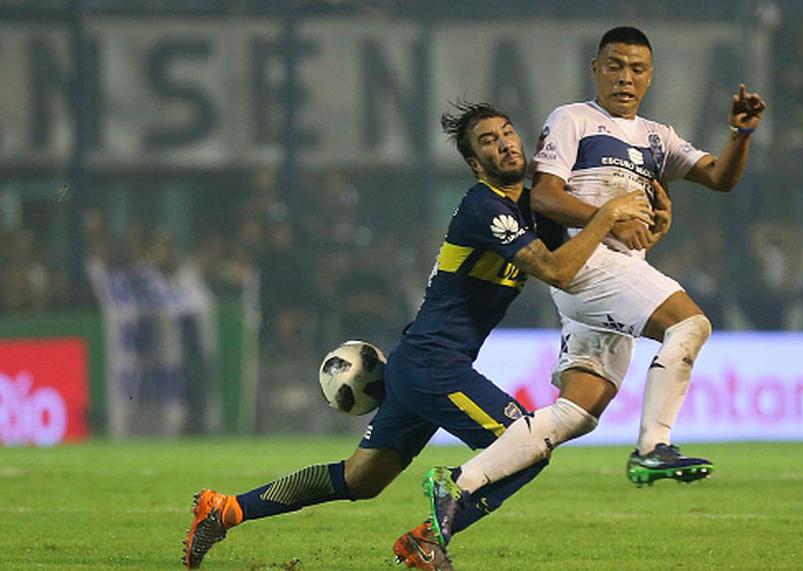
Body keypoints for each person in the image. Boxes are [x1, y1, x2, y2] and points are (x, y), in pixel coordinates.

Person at [181, 101, 666, 570]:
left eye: (507, 133)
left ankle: (226, 509)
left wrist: (644, 222)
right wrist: (606, 214)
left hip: (421, 362)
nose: (504, 145)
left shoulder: (535, 207)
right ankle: (429, 538)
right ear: (475, 164)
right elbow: (558, 271)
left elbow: (589, 253)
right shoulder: (485, 207)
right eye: (488, 142)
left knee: (360, 478)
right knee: (527, 447)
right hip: (435, 364)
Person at [422, 26, 766, 538]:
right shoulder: (572, 119)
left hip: (613, 279)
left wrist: (739, 135)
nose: (625, 77)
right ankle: (653, 447)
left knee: (578, 413)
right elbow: (544, 197)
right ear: (595, 69)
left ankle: (461, 480)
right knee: (690, 325)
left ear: (650, 76)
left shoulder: (658, 136)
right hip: (590, 266)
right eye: (615, 65)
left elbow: (719, 178)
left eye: (637, 68)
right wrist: (607, 214)